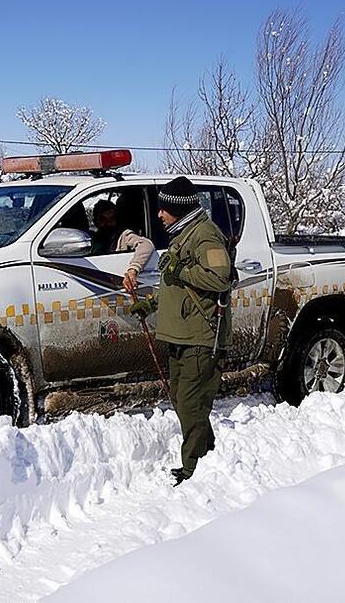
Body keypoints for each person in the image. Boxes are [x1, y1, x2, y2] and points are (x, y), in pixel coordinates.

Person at [131, 177, 232, 486]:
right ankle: (208, 449)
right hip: (179, 332)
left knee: (189, 401)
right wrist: (150, 305)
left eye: (164, 209)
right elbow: (174, 285)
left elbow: (221, 279)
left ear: (179, 208)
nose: (159, 215)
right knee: (182, 398)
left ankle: (191, 469)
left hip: (201, 335)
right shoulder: (181, 234)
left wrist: (181, 269)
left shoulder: (204, 236)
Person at [90, 198, 156, 293]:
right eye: (103, 219)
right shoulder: (92, 238)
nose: (108, 223)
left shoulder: (123, 235)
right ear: (95, 221)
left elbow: (146, 245)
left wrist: (133, 269)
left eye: (111, 219)